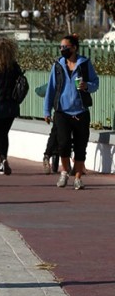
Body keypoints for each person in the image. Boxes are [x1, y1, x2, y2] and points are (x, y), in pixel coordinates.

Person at [44, 35, 99, 190]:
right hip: (62, 112)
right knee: (63, 144)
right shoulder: (58, 65)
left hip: (81, 111)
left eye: (65, 47)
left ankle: (78, 177)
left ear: (74, 48)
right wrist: (47, 110)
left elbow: (96, 83)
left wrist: (86, 86)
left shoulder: (85, 64)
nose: (63, 50)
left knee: (81, 146)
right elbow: (51, 88)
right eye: (61, 47)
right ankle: (64, 172)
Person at [0, 38, 23, 175]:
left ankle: (2, 159)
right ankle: (3, 159)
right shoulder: (13, 66)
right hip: (11, 105)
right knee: (4, 133)